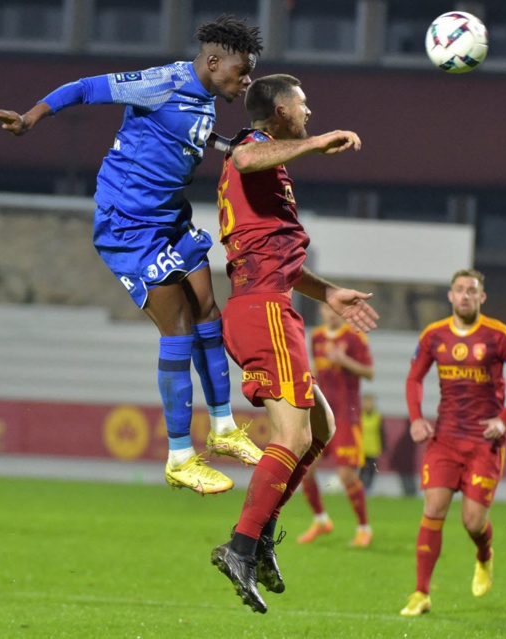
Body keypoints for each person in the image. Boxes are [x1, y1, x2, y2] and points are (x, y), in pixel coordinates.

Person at [0, 15, 265, 494]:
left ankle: (221, 429)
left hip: (169, 218)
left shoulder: (205, 98)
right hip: (129, 226)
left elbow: (185, 136)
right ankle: (180, 457)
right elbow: (86, 86)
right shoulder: (162, 82)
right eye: (242, 72)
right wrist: (31, 117)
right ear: (213, 62)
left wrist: (229, 147)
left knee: (207, 312)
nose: (247, 81)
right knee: (176, 328)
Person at [208, 74, 377, 614]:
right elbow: (242, 159)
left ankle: (256, 539)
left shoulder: (268, 167)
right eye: (302, 106)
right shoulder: (251, 150)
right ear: (280, 112)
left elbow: (275, 256)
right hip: (263, 311)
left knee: (319, 429)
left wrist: (330, 293)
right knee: (293, 432)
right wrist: (315, 143)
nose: (309, 112)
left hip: (264, 302)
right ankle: (241, 546)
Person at [399, 268, 506, 617]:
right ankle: (420, 593)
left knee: (472, 522)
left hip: (483, 443)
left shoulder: (499, 335)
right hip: (444, 439)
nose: (464, 296)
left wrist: (502, 420)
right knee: (432, 511)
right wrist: (416, 418)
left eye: (471, 291)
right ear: (450, 295)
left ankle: (484, 554)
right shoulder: (433, 335)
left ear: (481, 298)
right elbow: (414, 378)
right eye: (459, 290)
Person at [297, 303, 375, 547]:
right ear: (321, 311)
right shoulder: (317, 336)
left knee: (347, 474)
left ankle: (364, 528)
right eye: (327, 309)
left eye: (336, 310)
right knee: (305, 469)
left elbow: (370, 373)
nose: (331, 313)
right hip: (322, 413)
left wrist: (345, 360)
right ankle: (321, 520)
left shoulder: (355, 338)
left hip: (347, 415)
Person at [358, 393, 385, 494]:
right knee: (362, 469)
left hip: (373, 448)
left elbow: (381, 432)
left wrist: (382, 446)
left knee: (372, 469)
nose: (368, 404)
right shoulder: (359, 415)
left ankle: (368, 488)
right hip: (362, 448)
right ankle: (359, 488)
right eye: (366, 402)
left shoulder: (377, 416)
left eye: (370, 402)